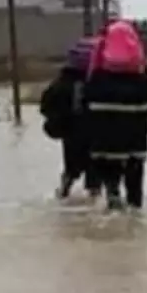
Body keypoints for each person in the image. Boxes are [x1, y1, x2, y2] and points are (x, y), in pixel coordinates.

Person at [83, 20, 147, 211]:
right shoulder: (141, 83)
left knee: (111, 176)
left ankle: (113, 198)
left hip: (105, 143)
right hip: (134, 143)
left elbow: (86, 97)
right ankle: (134, 210)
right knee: (134, 183)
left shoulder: (97, 81)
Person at [39, 38, 101, 199]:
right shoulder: (96, 82)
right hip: (93, 134)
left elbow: (45, 106)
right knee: (94, 171)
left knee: (72, 168)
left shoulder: (61, 83)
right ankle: (91, 197)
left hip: (71, 134)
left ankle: (64, 191)